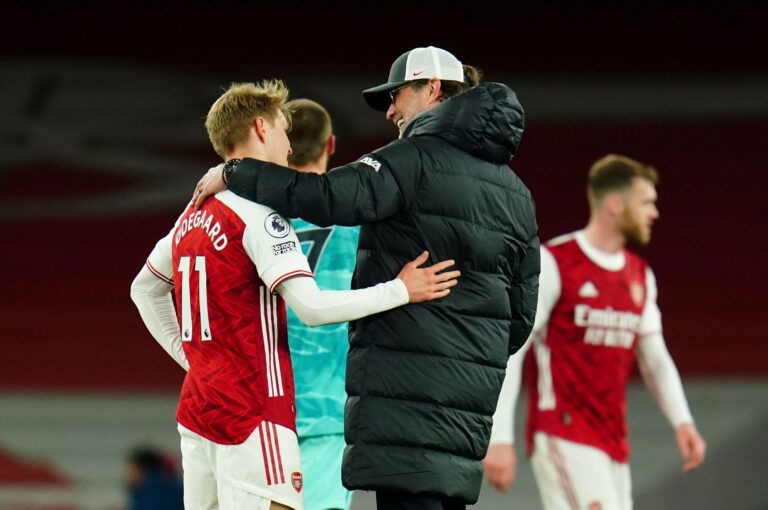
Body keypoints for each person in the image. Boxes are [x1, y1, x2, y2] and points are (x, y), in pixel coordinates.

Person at [193, 46, 540, 509]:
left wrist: (235, 172)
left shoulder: (411, 159)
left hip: (402, 400)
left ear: (432, 88)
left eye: (396, 95)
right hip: (467, 412)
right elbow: (520, 318)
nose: (391, 110)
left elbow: (326, 196)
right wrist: (466, 356)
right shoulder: (516, 192)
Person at [129, 80, 460, 510]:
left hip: (199, 411)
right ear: (262, 127)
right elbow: (313, 307)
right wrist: (401, 289)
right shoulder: (262, 217)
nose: (289, 146)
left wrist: (192, 357)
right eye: (284, 131)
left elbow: (145, 288)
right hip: (254, 414)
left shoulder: (194, 213)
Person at [484, 154, 706, 510]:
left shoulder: (639, 275)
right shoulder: (557, 262)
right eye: (647, 203)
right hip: (563, 432)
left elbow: (655, 360)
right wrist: (500, 435)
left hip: (613, 441)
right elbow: (515, 348)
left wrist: (683, 421)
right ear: (615, 204)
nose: (654, 213)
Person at [284, 98, 356, 510]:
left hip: (258, 406)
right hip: (329, 407)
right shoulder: (359, 218)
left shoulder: (246, 214)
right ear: (331, 144)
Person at [124, 446, 184, 510]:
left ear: (141, 469)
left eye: (130, 469)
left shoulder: (153, 489)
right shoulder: (166, 484)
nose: (126, 475)